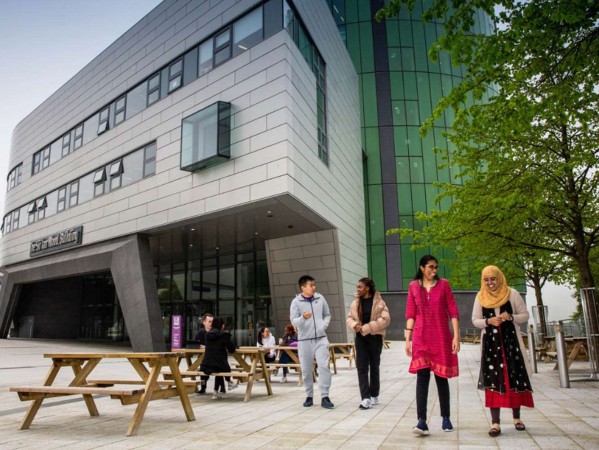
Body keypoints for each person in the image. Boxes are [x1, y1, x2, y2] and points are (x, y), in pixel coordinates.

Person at [472, 265, 534, 437]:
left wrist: (511, 317)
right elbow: (475, 320)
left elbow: (525, 315)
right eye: (486, 279)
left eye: (493, 279)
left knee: (514, 377)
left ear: (499, 278)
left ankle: (517, 418)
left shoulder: (512, 293)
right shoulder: (480, 297)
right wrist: (488, 321)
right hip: (491, 346)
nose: (490, 283)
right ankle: (495, 423)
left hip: (511, 344)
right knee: (493, 381)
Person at [406, 255, 460, 435]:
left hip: (440, 336)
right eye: (430, 267)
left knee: (441, 377)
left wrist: (456, 336)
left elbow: (452, 310)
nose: (434, 270)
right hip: (420, 336)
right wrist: (407, 339)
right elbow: (411, 313)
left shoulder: (444, 284)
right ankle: (421, 421)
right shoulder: (413, 286)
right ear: (422, 268)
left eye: (436, 267)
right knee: (422, 378)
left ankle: (446, 417)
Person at [290, 275, 334, 409]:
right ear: (303, 287)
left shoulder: (320, 298)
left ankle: (325, 396)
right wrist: (303, 317)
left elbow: (327, 314)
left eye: (314, 285)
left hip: (321, 338)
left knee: (324, 366)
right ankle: (309, 396)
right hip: (304, 341)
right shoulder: (296, 302)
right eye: (311, 285)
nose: (314, 287)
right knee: (306, 369)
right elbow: (294, 321)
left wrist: (323, 325)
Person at [347, 277, 391, 410]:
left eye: (360, 287)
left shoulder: (379, 302)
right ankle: (365, 398)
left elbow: (386, 319)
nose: (357, 289)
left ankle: (374, 394)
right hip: (360, 338)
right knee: (361, 367)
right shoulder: (355, 303)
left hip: (375, 337)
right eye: (357, 287)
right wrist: (355, 325)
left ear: (367, 288)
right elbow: (349, 318)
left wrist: (368, 327)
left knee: (374, 366)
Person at [200, 317, 237, 399]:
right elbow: (232, 349)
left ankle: (215, 392)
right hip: (219, 365)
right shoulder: (223, 335)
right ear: (221, 325)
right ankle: (229, 382)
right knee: (221, 367)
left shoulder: (208, 334)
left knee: (218, 367)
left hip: (207, 365)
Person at [194, 313, 213, 394]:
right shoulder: (200, 333)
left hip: (214, 357)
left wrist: (207, 347)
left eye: (212, 321)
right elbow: (195, 344)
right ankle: (203, 387)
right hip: (202, 357)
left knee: (205, 367)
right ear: (204, 322)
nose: (211, 323)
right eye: (209, 321)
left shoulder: (216, 332)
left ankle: (219, 388)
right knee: (203, 366)